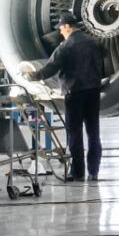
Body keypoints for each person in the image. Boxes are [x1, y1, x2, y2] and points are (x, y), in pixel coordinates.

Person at [27, 12, 105, 182]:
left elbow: (51, 68)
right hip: (93, 92)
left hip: (74, 93)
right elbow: (102, 63)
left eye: (61, 28)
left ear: (68, 26)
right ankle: (94, 172)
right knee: (93, 133)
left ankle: (77, 172)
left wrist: (32, 76)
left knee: (75, 134)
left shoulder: (66, 46)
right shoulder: (93, 42)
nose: (60, 32)